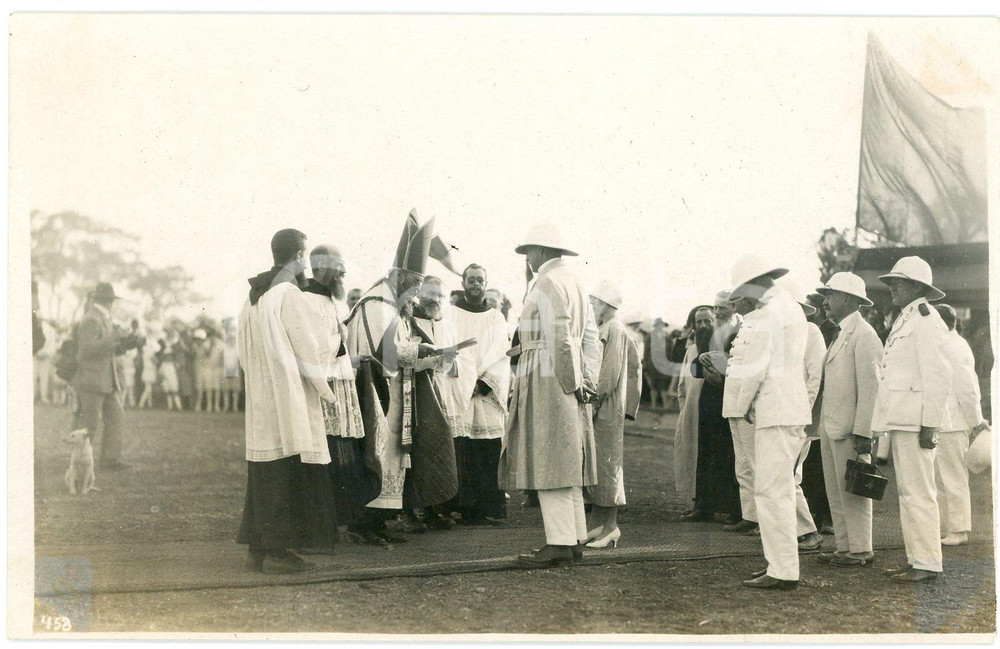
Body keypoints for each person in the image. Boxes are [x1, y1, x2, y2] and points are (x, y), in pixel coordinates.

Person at [236, 228, 340, 574]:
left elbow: (240, 355)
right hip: (289, 396)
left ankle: (257, 549)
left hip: (263, 402)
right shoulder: (289, 295)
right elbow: (310, 350)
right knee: (288, 471)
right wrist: (327, 390)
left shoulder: (252, 298)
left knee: (266, 471)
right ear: (297, 256)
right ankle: (279, 550)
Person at [499, 221, 601, 567]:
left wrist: (572, 382)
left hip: (549, 375)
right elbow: (589, 336)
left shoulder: (546, 280)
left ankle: (559, 541)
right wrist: (587, 378)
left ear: (541, 251)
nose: (526, 257)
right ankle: (573, 538)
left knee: (551, 457)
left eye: (528, 250)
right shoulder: (574, 281)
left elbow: (560, 335)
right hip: (563, 373)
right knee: (567, 460)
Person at [344, 209, 445, 544]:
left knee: (392, 457)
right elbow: (384, 352)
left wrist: (420, 351)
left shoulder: (395, 304)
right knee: (376, 453)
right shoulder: (376, 303)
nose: (415, 293)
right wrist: (421, 353)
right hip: (374, 390)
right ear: (399, 276)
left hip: (392, 390)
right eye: (413, 285)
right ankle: (364, 524)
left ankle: (380, 521)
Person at [722, 255, 812, 590]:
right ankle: (782, 566)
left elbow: (754, 368)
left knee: (772, 492)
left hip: (773, 410)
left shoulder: (768, 312)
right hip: (789, 408)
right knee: (779, 491)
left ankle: (783, 569)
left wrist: (743, 404)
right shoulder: (789, 306)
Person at [871, 256, 952, 583]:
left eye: (898, 282)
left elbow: (939, 376)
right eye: (891, 282)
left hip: (917, 420)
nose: (891, 288)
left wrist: (930, 423)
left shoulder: (926, 319)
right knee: (908, 493)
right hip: (903, 417)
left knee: (919, 492)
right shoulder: (907, 318)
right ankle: (918, 558)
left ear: (917, 286)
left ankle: (928, 562)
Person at [302, 245, 380, 544]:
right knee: (327, 456)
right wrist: (345, 357)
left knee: (345, 457)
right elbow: (316, 350)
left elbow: (339, 347)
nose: (343, 273)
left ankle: (341, 521)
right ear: (319, 268)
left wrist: (353, 359)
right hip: (325, 389)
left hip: (343, 384)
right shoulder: (307, 301)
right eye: (338, 267)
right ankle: (321, 526)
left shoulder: (336, 302)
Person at [814, 272, 883, 567]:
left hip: (851, 429)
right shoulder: (841, 333)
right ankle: (844, 546)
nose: (825, 301)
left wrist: (864, 432)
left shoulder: (864, 335)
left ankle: (860, 548)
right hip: (832, 426)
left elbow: (871, 388)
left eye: (830, 295)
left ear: (846, 298)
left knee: (855, 490)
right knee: (835, 489)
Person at [448, 263, 512, 526]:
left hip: (485, 392)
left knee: (486, 450)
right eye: (471, 279)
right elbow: (449, 348)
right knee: (462, 448)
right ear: (463, 283)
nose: (475, 284)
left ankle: (487, 507)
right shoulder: (450, 314)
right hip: (461, 391)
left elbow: (502, 353)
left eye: (480, 280)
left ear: (486, 284)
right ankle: (462, 506)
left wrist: (484, 383)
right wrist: (464, 382)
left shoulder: (496, 317)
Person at [584, 281, 641, 548]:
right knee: (597, 465)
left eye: (596, 302)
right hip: (600, 406)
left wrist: (592, 403)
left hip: (605, 407)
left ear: (608, 305)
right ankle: (597, 524)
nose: (592, 307)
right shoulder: (605, 328)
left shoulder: (615, 330)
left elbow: (608, 375)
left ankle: (611, 527)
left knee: (607, 465)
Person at [403, 276, 462, 531]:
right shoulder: (409, 320)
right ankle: (409, 513)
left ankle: (431, 509)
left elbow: (454, 365)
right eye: (430, 294)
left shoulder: (447, 324)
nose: (435, 299)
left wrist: (447, 359)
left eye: (439, 295)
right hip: (412, 393)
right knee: (412, 452)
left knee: (433, 450)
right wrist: (433, 359)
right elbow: (404, 356)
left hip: (436, 391)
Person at [934, 304, 989, 548]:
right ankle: (947, 526)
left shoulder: (956, 346)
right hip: (943, 422)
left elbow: (968, 389)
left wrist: (976, 420)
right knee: (940, 478)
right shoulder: (944, 344)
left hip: (954, 422)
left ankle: (959, 529)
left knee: (953, 476)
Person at [71, 282, 141, 470]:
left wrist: (127, 343)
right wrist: (114, 338)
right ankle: (78, 464)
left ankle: (109, 461)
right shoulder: (92, 319)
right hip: (93, 379)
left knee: (113, 417)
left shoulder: (99, 318)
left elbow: (106, 350)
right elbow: (86, 350)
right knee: (89, 426)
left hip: (104, 379)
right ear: (110, 302)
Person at [687, 305, 742, 525]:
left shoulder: (740, 333)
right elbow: (694, 369)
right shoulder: (708, 338)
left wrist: (723, 379)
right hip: (709, 402)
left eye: (723, 307)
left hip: (729, 401)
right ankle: (704, 506)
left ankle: (734, 510)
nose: (719, 311)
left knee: (730, 456)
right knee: (706, 452)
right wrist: (702, 361)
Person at [673, 305, 708, 517]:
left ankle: (706, 505)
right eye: (699, 322)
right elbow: (682, 386)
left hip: (709, 414)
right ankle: (697, 502)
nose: (703, 326)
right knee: (691, 455)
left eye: (707, 321)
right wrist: (684, 410)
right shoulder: (691, 350)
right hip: (691, 411)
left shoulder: (716, 347)